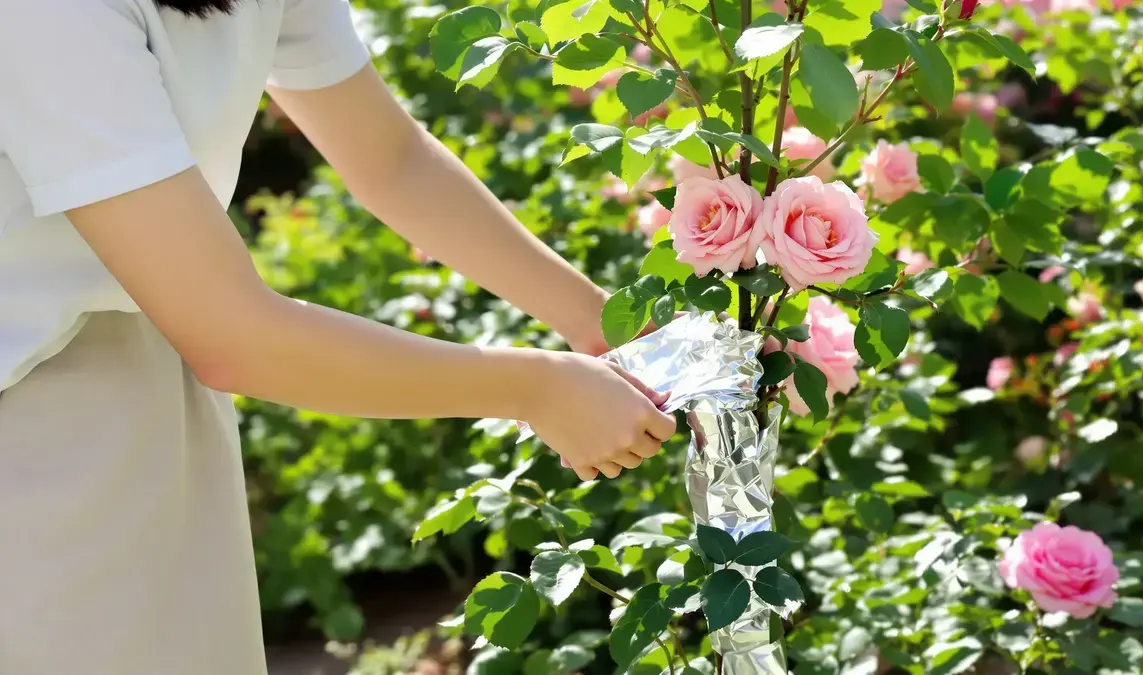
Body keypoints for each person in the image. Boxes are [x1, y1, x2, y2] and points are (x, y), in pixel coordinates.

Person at [0, 1, 677, 673]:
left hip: (145, 357)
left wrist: (605, 323)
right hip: (26, 409)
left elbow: (390, 160)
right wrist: (537, 387)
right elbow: (232, 333)